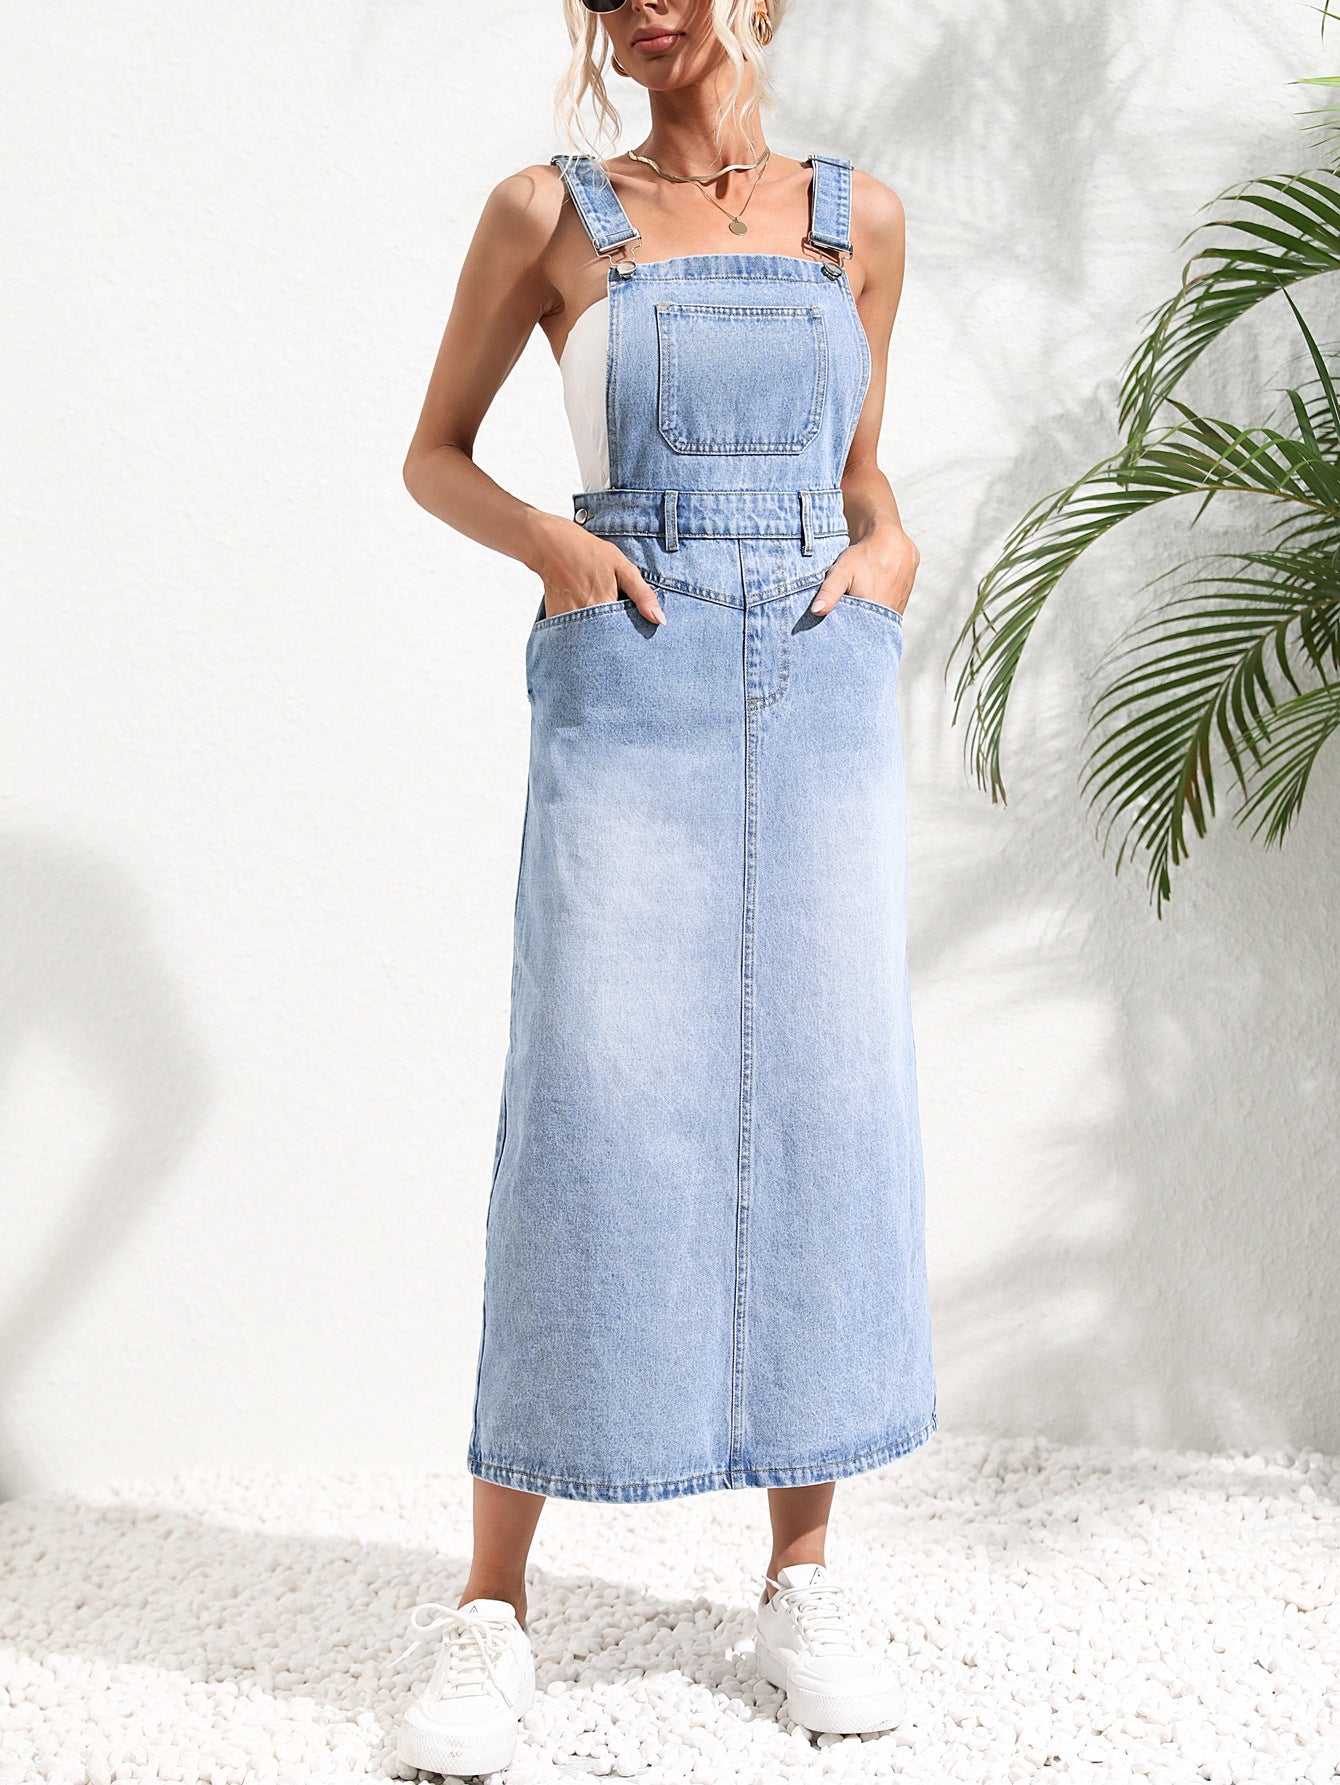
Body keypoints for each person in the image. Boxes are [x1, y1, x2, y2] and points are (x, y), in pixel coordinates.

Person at [397, 0, 936, 1773]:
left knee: (823, 1104)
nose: (638, 2)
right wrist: (555, 543)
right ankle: (491, 1609)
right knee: (590, 1105)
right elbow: (438, 450)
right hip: (628, 675)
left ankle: (804, 1577)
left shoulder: (861, 220)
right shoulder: (548, 215)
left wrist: (891, 549)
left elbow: (865, 481)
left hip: (820, 682)